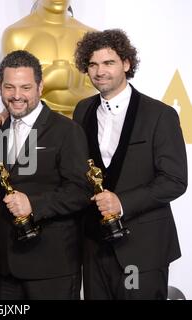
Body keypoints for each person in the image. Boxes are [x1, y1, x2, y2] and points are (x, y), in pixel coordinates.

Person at [73, 29, 188, 299]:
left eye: (108, 63)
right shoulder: (82, 110)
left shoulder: (160, 115)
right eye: (93, 64)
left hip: (142, 249)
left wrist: (122, 203)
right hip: (94, 247)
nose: (100, 71)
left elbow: (174, 180)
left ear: (126, 63)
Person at [0, 50, 91, 299]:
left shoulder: (67, 131)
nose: (16, 96)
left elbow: (81, 190)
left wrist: (33, 205)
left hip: (52, 266)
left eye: (25, 87)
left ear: (40, 86)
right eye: (9, 87)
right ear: (0, 87)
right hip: (4, 267)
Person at [1, 0, 97, 118]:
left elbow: (98, 89)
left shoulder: (90, 35)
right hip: (33, 126)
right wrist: (49, 80)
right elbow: (12, 91)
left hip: (82, 125)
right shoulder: (16, 35)